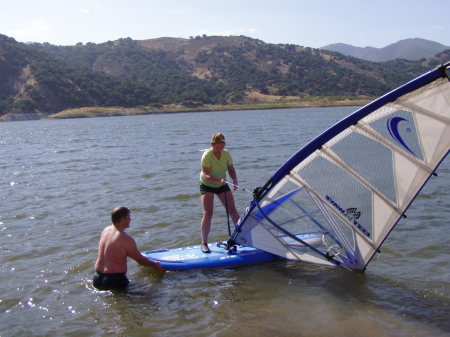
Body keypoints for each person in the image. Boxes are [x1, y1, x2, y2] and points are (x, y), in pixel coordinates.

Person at [93, 206, 163, 291]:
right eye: (128, 217)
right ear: (122, 219)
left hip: (97, 278)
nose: (130, 219)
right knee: (150, 295)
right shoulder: (125, 239)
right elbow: (140, 260)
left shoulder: (106, 230)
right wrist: (154, 264)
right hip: (114, 281)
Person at [199, 133, 240, 253]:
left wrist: (235, 180)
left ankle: (243, 237)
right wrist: (218, 180)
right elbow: (206, 175)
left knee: (232, 210)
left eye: (221, 147)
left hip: (222, 184)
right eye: (217, 148)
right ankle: (204, 243)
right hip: (207, 185)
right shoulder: (207, 155)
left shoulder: (226, 153)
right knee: (208, 212)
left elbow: (231, 169)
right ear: (212, 145)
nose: (219, 150)